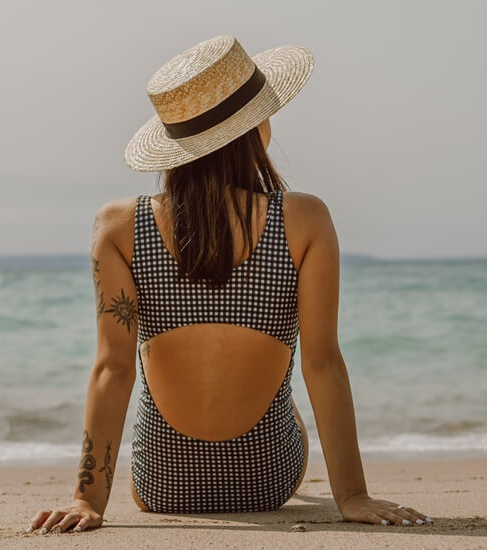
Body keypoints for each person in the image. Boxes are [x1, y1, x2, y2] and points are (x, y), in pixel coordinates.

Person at [26, 34, 433, 534]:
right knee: (290, 405)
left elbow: (113, 368)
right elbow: (323, 362)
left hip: (162, 485)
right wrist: (352, 496)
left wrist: (86, 500)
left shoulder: (118, 226)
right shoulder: (304, 218)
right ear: (253, 128)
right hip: (267, 478)